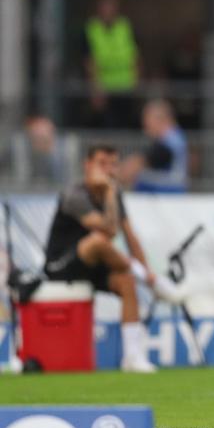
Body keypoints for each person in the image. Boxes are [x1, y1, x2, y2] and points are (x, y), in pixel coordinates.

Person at [43, 144, 187, 373]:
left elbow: (130, 236)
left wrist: (145, 266)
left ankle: (132, 357)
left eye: (113, 164)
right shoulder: (75, 194)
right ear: (87, 165)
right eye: (102, 163)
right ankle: (153, 283)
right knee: (98, 241)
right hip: (62, 266)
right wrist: (110, 192)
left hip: (95, 264)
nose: (109, 170)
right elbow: (109, 231)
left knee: (126, 282)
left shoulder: (115, 193)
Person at [83, 0, 142, 128]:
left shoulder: (125, 26)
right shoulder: (92, 28)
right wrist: (95, 87)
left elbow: (136, 57)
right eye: (105, 8)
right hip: (104, 87)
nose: (108, 11)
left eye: (111, 8)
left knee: (125, 123)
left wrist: (137, 82)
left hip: (126, 86)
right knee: (106, 124)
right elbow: (89, 61)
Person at [121, 100, 189, 193]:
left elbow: (150, 158)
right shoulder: (172, 138)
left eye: (147, 121)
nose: (145, 128)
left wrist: (124, 171)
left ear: (160, 119)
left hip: (167, 197)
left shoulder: (171, 140)